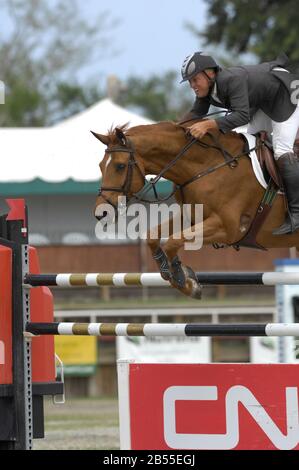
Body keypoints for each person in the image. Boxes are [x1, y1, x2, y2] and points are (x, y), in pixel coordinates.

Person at [180, 51, 299, 235]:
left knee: (282, 149)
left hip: (286, 97)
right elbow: (195, 115)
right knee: (243, 141)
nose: (192, 85)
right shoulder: (207, 90)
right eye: (190, 82)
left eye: (195, 80)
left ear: (210, 73)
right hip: (266, 102)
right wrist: (173, 129)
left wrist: (208, 125)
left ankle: (296, 213)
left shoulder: (230, 80)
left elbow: (242, 115)